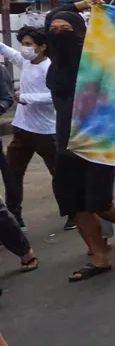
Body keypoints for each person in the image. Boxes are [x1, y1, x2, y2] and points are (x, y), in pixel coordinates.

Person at [46, 0, 115, 281]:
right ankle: (99, 258)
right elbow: (55, 16)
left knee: (99, 202)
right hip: (66, 144)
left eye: (66, 29)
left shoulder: (101, 61)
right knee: (74, 204)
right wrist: (80, 5)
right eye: (55, 30)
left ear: (80, 33)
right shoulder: (56, 62)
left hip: (100, 141)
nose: (59, 33)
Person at [0, 27, 56, 231]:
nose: (24, 48)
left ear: (42, 47)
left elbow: (55, 97)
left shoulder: (50, 68)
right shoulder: (24, 61)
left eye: (29, 44)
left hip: (46, 132)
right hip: (22, 129)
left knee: (59, 176)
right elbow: (6, 50)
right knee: (13, 175)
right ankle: (15, 217)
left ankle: (73, 214)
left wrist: (25, 98)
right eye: (23, 44)